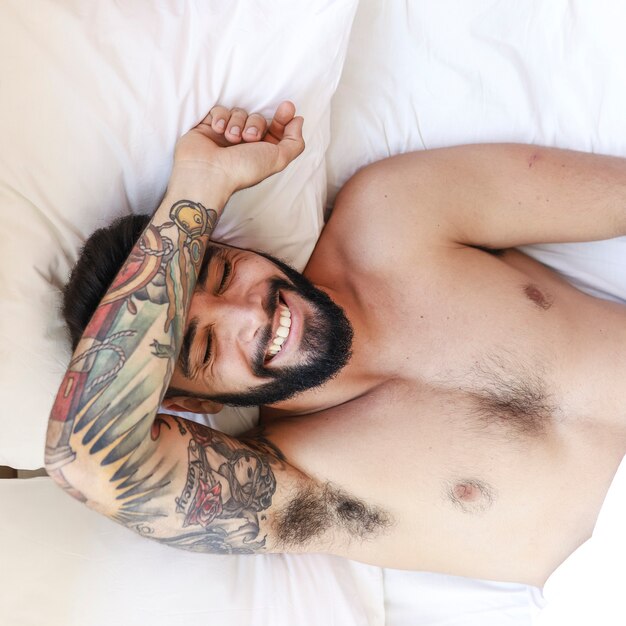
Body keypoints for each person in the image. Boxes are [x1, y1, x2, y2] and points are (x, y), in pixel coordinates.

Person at [46, 102, 626, 587]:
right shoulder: (303, 483)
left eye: (222, 274)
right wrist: (198, 184)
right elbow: (90, 464)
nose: (250, 313)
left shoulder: (394, 209)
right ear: (196, 402)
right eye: (202, 348)